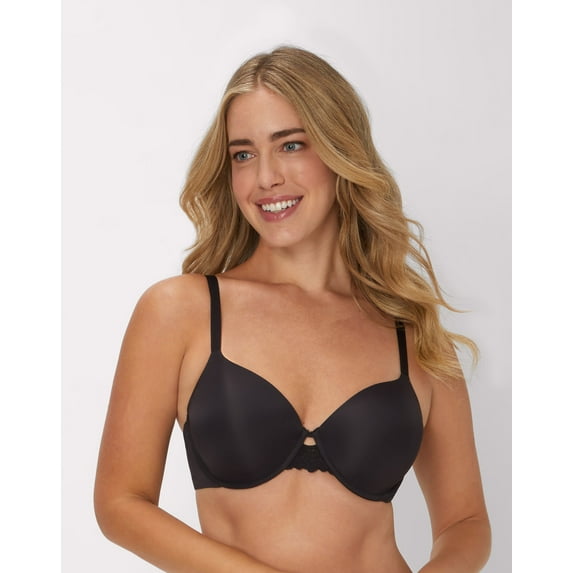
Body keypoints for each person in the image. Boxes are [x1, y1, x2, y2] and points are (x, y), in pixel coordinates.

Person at [94, 46, 491, 572]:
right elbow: (120, 504)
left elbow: (466, 522)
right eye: (243, 155)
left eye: (291, 145)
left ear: (340, 151)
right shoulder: (181, 311)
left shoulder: (411, 332)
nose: (265, 178)